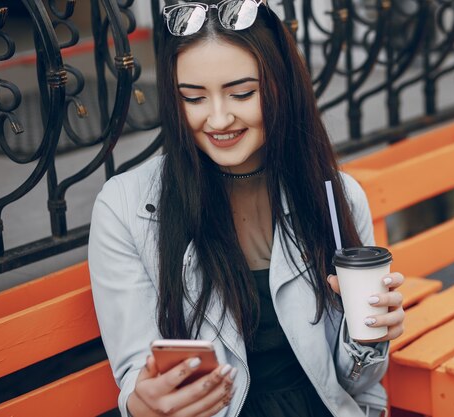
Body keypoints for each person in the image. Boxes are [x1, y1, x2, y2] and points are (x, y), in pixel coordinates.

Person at [88, 1, 405, 416]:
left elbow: (357, 383)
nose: (218, 119)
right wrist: (147, 404)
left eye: (242, 93)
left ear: (280, 87)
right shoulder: (127, 207)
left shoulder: (334, 195)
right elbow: (136, 376)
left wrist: (369, 337)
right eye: (194, 98)